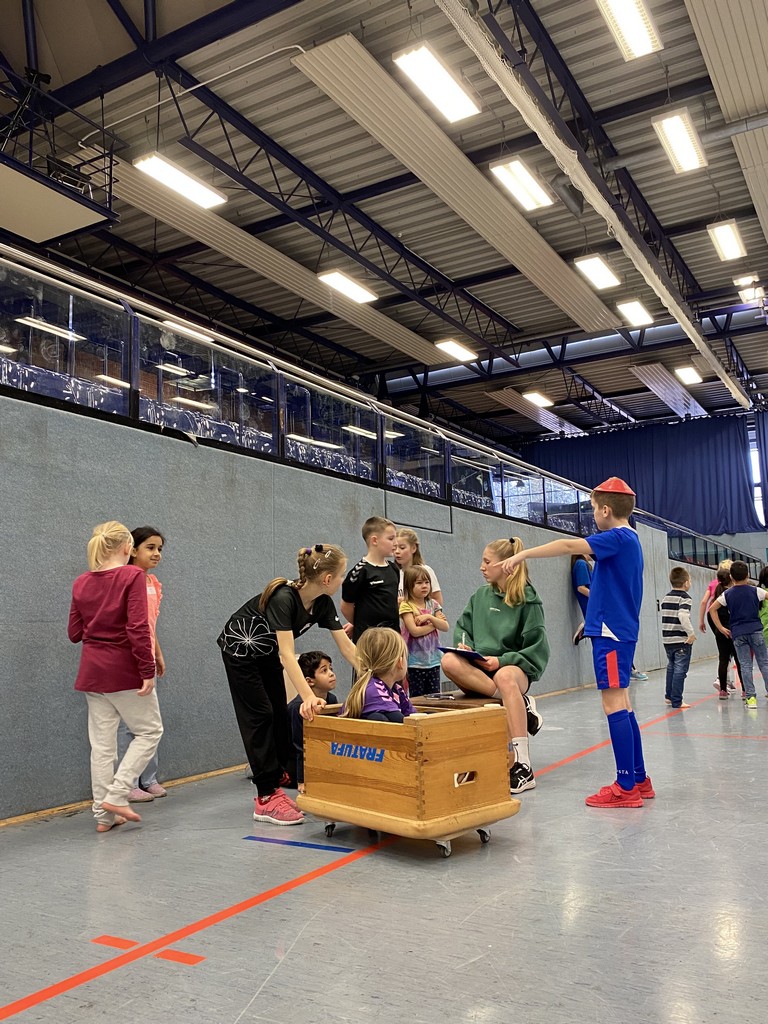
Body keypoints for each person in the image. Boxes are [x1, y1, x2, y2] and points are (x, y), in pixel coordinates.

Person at [498, 478, 653, 809]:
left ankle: (626, 786)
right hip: (613, 630)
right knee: (624, 704)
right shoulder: (630, 540)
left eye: (594, 509)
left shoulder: (617, 537)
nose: (593, 515)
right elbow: (612, 591)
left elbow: (568, 546)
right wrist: (590, 621)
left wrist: (523, 554)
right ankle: (639, 779)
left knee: (614, 705)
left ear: (606, 510)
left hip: (612, 635)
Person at [218, 544, 356, 825]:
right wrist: (308, 696)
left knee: (279, 713)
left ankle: (276, 776)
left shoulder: (322, 603)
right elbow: (287, 654)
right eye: (341, 575)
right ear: (328, 579)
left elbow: (346, 647)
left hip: (265, 652)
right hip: (240, 650)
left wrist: (375, 677)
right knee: (260, 716)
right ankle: (265, 797)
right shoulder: (284, 598)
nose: (342, 581)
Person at [68, 521, 163, 833]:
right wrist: (147, 670)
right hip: (124, 671)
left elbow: (74, 633)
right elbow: (137, 627)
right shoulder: (131, 576)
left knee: (102, 746)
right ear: (127, 548)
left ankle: (103, 815)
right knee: (149, 732)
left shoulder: (81, 582)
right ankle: (118, 795)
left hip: (92, 673)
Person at [441, 538, 548, 795]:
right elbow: (463, 628)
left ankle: (523, 765)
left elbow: (536, 650)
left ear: (506, 564)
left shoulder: (528, 600)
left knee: (505, 677)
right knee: (448, 661)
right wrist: (465, 646)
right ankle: (518, 703)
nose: (482, 567)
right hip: (480, 670)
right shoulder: (480, 596)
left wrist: (502, 661)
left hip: (512, 669)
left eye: (487, 562)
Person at [117, 527, 168, 802]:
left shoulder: (152, 582)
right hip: (129, 659)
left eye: (159, 548)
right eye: (150, 547)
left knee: (150, 721)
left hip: (146, 658)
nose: (156, 553)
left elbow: (149, 624)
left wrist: (157, 653)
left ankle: (148, 778)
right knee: (128, 724)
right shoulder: (125, 579)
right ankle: (126, 783)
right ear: (133, 550)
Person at [709, 560, 768, 709]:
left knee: (745, 665)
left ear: (731, 577)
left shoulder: (727, 594)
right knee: (764, 663)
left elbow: (712, 609)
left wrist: (720, 627)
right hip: (756, 630)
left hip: (738, 633)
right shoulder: (756, 591)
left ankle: (751, 698)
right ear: (748, 575)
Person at [341, 516, 399, 642]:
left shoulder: (393, 568)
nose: (396, 543)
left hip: (393, 636)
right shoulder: (360, 571)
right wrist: (360, 624)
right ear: (374, 540)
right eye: (391, 538)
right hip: (369, 638)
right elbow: (346, 606)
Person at [288, 651, 339, 793]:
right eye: (324, 670)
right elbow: (299, 746)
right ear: (310, 681)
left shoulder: (332, 700)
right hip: (294, 766)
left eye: (331, 668)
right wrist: (302, 780)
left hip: (318, 758)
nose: (331, 674)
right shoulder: (297, 708)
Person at [342, 627, 415, 722]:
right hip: (353, 731)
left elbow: (412, 716)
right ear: (399, 662)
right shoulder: (374, 689)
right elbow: (400, 720)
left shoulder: (396, 689)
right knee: (378, 718)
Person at [399, 565, 449, 697]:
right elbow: (415, 631)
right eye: (419, 583)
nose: (424, 586)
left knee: (434, 697)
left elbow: (445, 626)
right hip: (415, 662)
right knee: (418, 698)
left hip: (433, 660)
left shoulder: (433, 604)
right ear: (409, 586)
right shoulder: (406, 605)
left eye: (427, 582)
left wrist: (429, 617)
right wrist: (434, 624)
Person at [660, 567, 695, 709]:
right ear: (686, 583)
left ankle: (669, 696)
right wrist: (691, 633)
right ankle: (677, 700)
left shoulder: (666, 597)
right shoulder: (685, 598)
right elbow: (683, 615)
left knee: (671, 667)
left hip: (667, 639)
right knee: (680, 670)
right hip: (680, 640)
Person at [708, 568, 744, 699]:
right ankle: (745, 689)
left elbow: (710, 615)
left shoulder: (716, 596)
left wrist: (718, 629)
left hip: (721, 632)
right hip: (734, 631)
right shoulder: (731, 595)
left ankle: (723, 690)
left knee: (723, 659)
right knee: (739, 661)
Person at [394, 527, 444, 605]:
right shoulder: (394, 574)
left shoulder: (425, 570)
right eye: (394, 548)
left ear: (414, 548)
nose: (397, 551)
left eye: (402, 548)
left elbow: (437, 600)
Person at [571, 553, 592, 644]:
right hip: (594, 611)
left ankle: (587, 629)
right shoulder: (581, 564)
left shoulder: (583, 564)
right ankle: (587, 629)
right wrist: (597, 598)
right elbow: (581, 588)